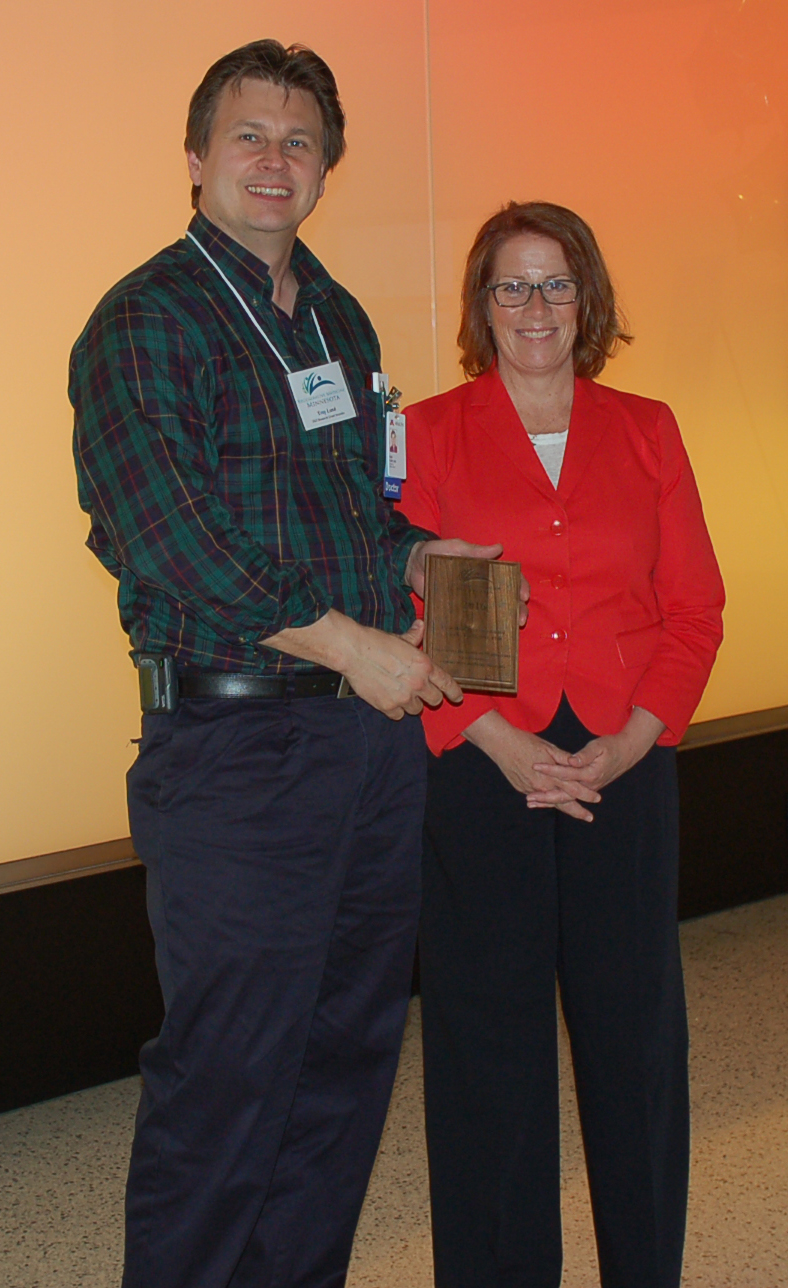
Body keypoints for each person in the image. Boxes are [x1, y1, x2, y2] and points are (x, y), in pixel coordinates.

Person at [70, 39, 506, 1288]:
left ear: (328, 166)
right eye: (250, 136)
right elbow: (164, 534)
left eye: (300, 140)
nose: (276, 159)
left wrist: (418, 561)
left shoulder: (338, 315)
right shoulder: (143, 320)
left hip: (364, 753)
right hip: (236, 750)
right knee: (232, 1070)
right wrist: (350, 644)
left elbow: (358, 510)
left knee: (345, 1055)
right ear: (198, 158)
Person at [400, 201, 725, 1288]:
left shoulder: (648, 428)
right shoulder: (434, 432)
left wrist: (632, 744)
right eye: (511, 285)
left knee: (635, 1043)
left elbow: (694, 610)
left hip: (621, 762)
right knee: (486, 1043)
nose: (534, 306)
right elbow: (419, 616)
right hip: (484, 760)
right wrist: (493, 740)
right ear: (480, 306)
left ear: (585, 300)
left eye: (554, 284)